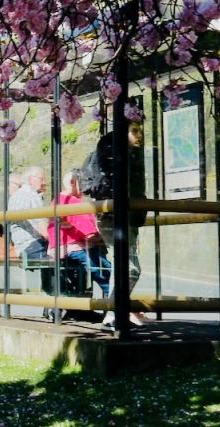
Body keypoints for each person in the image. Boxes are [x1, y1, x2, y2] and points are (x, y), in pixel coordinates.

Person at [102, 123, 149, 329]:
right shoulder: (120, 155)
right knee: (129, 268)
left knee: (123, 267)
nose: (139, 135)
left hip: (120, 216)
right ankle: (114, 312)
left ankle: (113, 314)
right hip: (115, 217)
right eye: (135, 131)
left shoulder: (129, 154)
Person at [49, 169, 112, 299]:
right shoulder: (71, 202)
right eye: (82, 183)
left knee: (102, 266)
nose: (85, 188)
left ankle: (111, 299)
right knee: (103, 269)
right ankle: (114, 298)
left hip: (60, 247)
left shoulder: (57, 199)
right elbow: (89, 233)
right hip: (72, 247)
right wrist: (100, 237)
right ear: (73, 182)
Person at [6, 167, 49, 260]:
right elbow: (43, 229)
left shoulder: (14, 196)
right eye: (41, 179)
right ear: (30, 179)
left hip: (21, 247)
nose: (44, 183)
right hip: (34, 245)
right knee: (65, 262)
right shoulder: (32, 195)